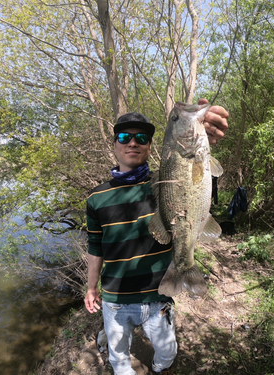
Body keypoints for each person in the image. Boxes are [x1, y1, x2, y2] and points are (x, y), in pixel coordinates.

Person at [84, 98, 229, 375]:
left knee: (167, 351)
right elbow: (95, 247)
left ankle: (161, 368)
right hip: (114, 299)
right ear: (114, 144)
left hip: (157, 295)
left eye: (142, 137)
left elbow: (195, 182)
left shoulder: (162, 183)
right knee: (119, 359)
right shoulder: (96, 198)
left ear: (151, 146)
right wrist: (91, 288)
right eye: (125, 137)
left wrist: (205, 138)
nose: (133, 142)